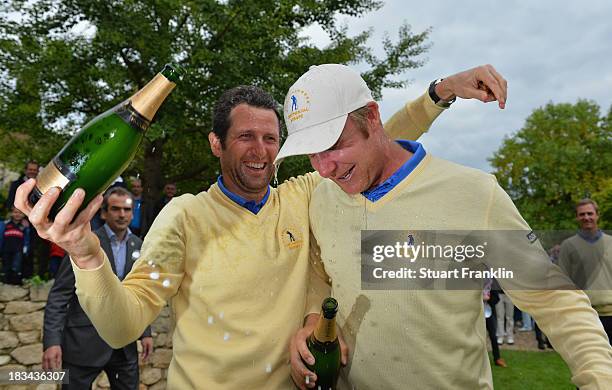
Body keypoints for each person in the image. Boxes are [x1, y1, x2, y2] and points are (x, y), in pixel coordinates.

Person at [15, 65, 507, 389]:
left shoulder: (302, 195)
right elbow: (123, 323)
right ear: (216, 144)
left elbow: (371, 138)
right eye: (246, 137)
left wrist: (438, 94)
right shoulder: (186, 217)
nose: (261, 150)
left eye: (271, 138)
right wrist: (84, 253)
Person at [280, 64, 612, 389]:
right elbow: (322, 272)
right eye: (312, 154)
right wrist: (313, 320)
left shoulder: (472, 193)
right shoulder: (322, 198)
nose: (324, 169)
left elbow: (555, 301)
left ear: (371, 117)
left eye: (334, 146)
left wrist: (600, 378)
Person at [42, 187, 153, 390]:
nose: (122, 214)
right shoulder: (82, 242)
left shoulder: (140, 246)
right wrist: (51, 342)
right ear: (103, 212)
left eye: (127, 210)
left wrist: (145, 332)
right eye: (116, 209)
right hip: (82, 345)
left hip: (124, 347)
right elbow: (59, 296)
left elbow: (140, 293)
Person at [559, 199, 612, 344]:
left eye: (590, 213)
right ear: (577, 217)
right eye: (582, 214)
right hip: (584, 314)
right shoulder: (568, 246)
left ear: (597, 215)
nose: (586, 217)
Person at [0, 206, 31, 284]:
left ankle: (15, 282)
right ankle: (5, 282)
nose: (17, 214)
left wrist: (25, 249)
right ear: (11, 213)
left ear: (24, 214)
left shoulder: (24, 226)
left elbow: (27, 239)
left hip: (18, 250)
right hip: (6, 249)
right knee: (6, 265)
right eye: (15, 212)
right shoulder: (6, 224)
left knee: (16, 266)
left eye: (20, 213)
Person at [483, 279, 506, 367]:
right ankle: (479, 359)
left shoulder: (490, 281)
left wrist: (488, 299)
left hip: (489, 312)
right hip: (477, 313)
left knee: (493, 336)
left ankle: (497, 358)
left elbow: (496, 298)